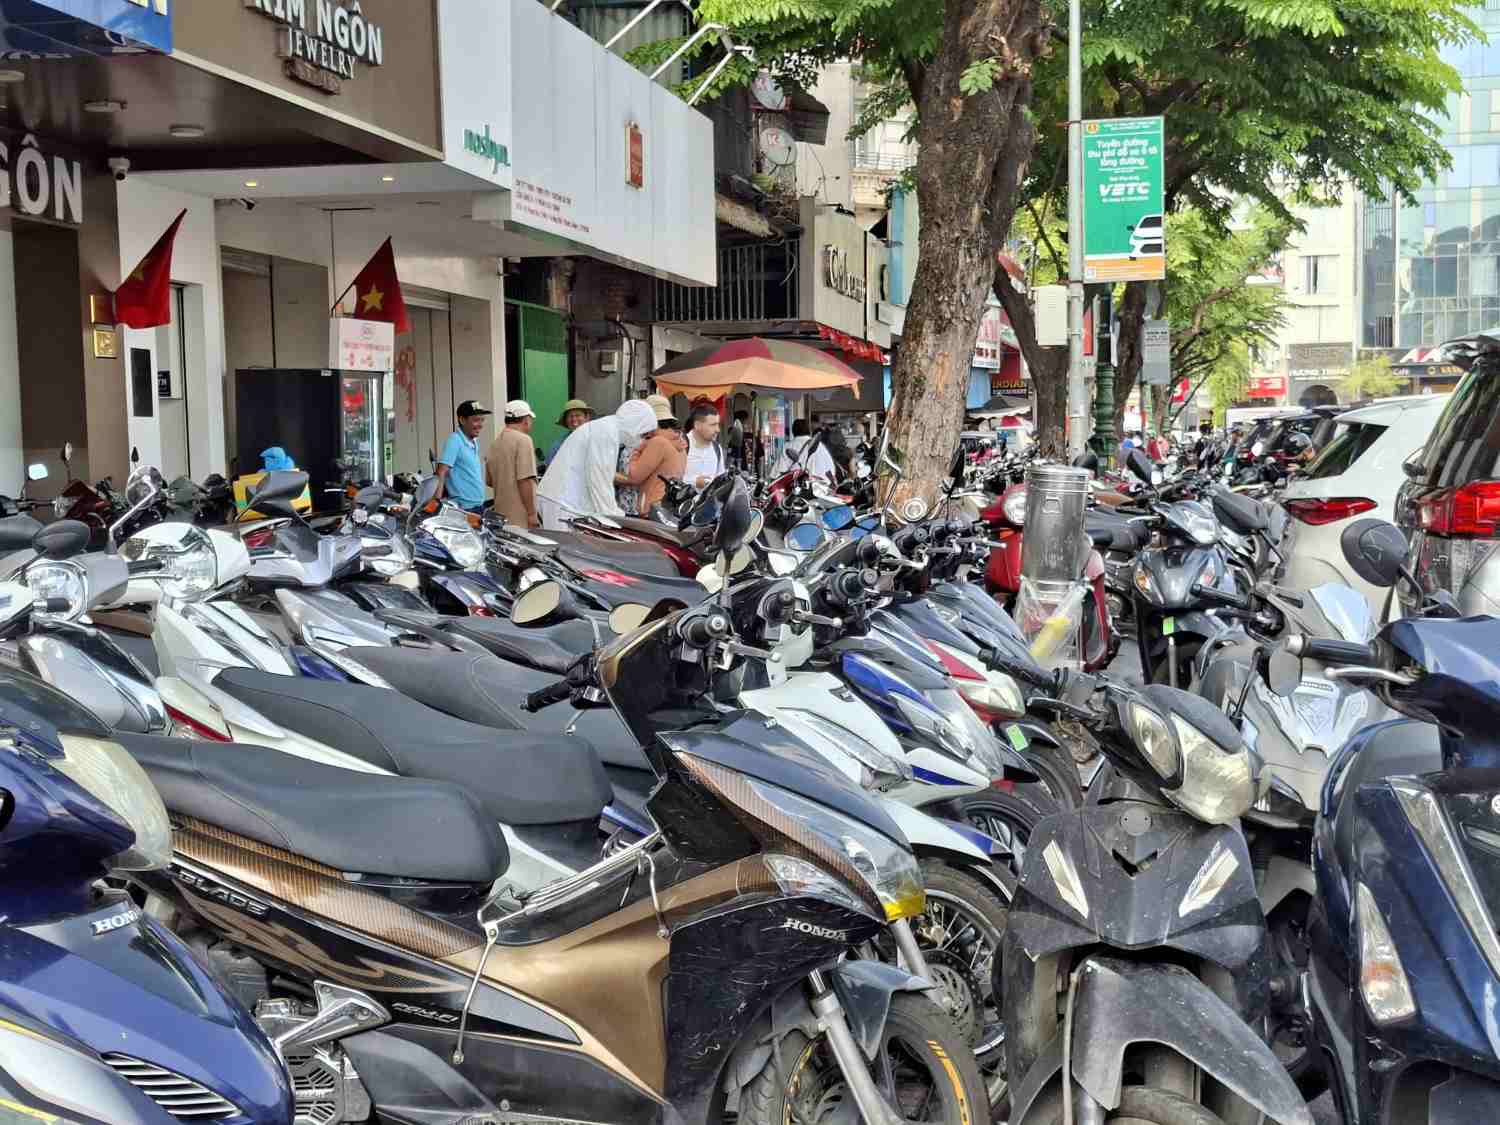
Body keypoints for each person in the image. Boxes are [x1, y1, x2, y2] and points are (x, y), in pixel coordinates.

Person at [536, 398, 658, 529]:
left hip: (563, 501)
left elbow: (600, 477)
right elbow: (599, 479)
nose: (641, 439)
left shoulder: (606, 428)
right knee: (566, 547)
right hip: (562, 502)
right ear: (636, 424)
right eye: (643, 434)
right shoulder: (606, 432)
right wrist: (615, 519)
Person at [618, 394, 687, 515]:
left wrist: (637, 451)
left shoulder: (658, 442)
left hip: (651, 508)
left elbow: (634, 476)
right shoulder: (679, 441)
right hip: (666, 507)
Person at [486, 399, 540, 528]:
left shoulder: (495, 443)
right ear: (526, 420)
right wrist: (532, 514)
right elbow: (525, 480)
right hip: (520, 517)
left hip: (500, 516)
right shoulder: (523, 440)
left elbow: (489, 481)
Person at [435, 400, 491, 512]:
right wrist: (436, 502)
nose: (480, 425)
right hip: (465, 509)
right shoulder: (455, 440)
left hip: (478, 505)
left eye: (482, 420)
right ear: (462, 420)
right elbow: (442, 472)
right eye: (476, 420)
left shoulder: (473, 441)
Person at [776, 418, 837, 485]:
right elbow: (830, 468)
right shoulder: (820, 445)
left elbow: (779, 470)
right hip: (820, 488)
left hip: (797, 488)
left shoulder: (788, 446)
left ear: (793, 431)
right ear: (809, 431)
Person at [683, 402, 725, 489]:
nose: (718, 430)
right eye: (713, 425)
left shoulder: (717, 449)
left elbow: (720, 480)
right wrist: (694, 482)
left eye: (718, 424)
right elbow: (670, 479)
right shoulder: (681, 445)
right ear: (697, 425)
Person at [546, 399, 594, 464]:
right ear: (566, 420)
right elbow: (550, 470)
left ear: (587, 417)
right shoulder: (559, 445)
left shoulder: (596, 440)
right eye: (570, 416)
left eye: (578, 415)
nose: (574, 419)